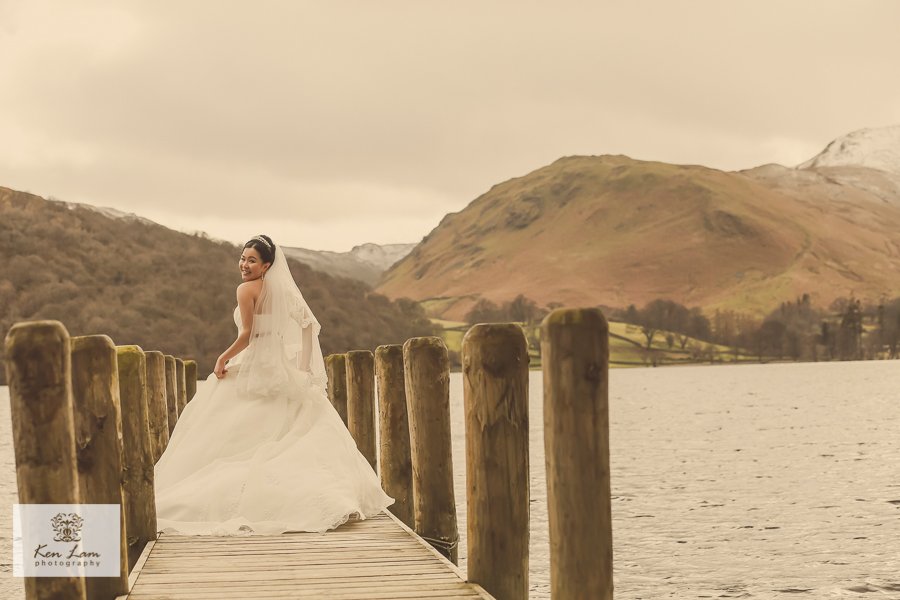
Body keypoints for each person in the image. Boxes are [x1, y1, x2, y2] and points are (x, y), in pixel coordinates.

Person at [154, 234, 394, 535]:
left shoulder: (245, 291)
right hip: (282, 367)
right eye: (243, 258)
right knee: (288, 428)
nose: (244, 264)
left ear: (267, 265)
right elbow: (309, 324)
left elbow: (247, 336)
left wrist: (221, 359)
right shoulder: (282, 292)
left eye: (252, 260)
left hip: (256, 365)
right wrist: (303, 367)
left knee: (227, 427)